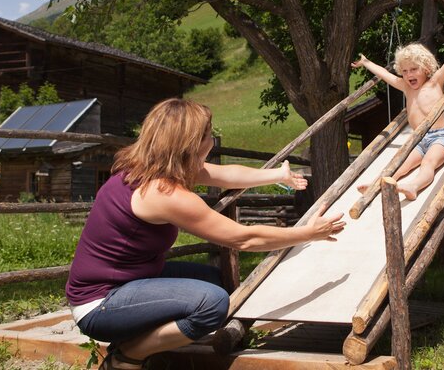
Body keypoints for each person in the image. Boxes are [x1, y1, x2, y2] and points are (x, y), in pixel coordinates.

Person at [66, 98, 346, 370]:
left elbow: (226, 175)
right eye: (209, 135)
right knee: (212, 304)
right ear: (191, 145)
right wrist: (309, 233)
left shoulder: (147, 167)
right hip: (100, 304)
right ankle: (128, 355)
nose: (212, 141)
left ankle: (140, 336)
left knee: (220, 279)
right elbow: (244, 238)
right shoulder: (164, 193)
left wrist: (277, 176)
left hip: (129, 280)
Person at [351, 27, 444, 201]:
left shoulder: (435, 83)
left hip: (440, 137)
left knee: (428, 163)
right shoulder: (405, 86)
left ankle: (414, 186)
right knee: (400, 165)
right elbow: (384, 74)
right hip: (417, 139)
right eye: (404, 71)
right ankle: (377, 184)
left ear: (426, 68)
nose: (408, 74)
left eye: (413, 69)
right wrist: (366, 63)